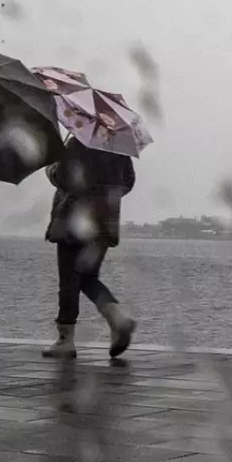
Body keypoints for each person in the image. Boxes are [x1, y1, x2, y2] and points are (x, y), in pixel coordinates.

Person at [42, 139, 136, 360]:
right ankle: (117, 317)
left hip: (74, 221)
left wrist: (51, 168)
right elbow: (128, 183)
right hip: (104, 222)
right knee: (87, 277)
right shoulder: (118, 147)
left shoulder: (77, 143)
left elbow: (64, 177)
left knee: (68, 280)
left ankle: (65, 340)